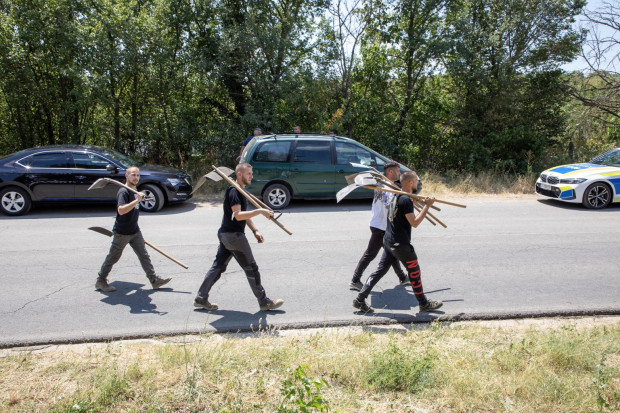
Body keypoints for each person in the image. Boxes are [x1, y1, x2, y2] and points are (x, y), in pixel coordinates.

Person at [194, 163, 284, 312]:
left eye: (252, 173)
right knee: (252, 268)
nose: (252, 176)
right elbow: (238, 216)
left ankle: (201, 298)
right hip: (234, 237)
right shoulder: (234, 191)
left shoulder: (241, 191)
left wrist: (255, 230)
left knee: (218, 266)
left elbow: (244, 216)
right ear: (240, 174)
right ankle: (264, 302)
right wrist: (261, 211)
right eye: (249, 173)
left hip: (226, 235)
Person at [352, 170, 442, 313]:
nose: (418, 184)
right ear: (411, 183)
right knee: (414, 272)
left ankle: (360, 300)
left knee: (379, 271)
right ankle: (423, 304)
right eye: (417, 182)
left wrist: (413, 201)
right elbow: (415, 223)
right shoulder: (405, 199)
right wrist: (427, 206)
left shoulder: (396, 194)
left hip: (388, 240)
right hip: (400, 243)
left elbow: (392, 209)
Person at [95, 166, 171, 292]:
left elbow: (134, 208)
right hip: (122, 232)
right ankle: (101, 280)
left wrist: (142, 199)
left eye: (137, 175)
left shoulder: (135, 190)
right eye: (133, 175)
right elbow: (121, 210)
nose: (136, 177)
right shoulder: (123, 192)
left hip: (135, 231)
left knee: (144, 255)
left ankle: (154, 280)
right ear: (127, 176)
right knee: (113, 257)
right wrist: (136, 201)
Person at [350, 161, 409, 291]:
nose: (399, 174)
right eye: (398, 171)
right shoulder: (387, 188)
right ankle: (355, 280)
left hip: (380, 224)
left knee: (391, 253)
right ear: (391, 172)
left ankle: (402, 277)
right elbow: (389, 206)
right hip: (380, 226)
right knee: (371, 253)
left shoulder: (383, 183)